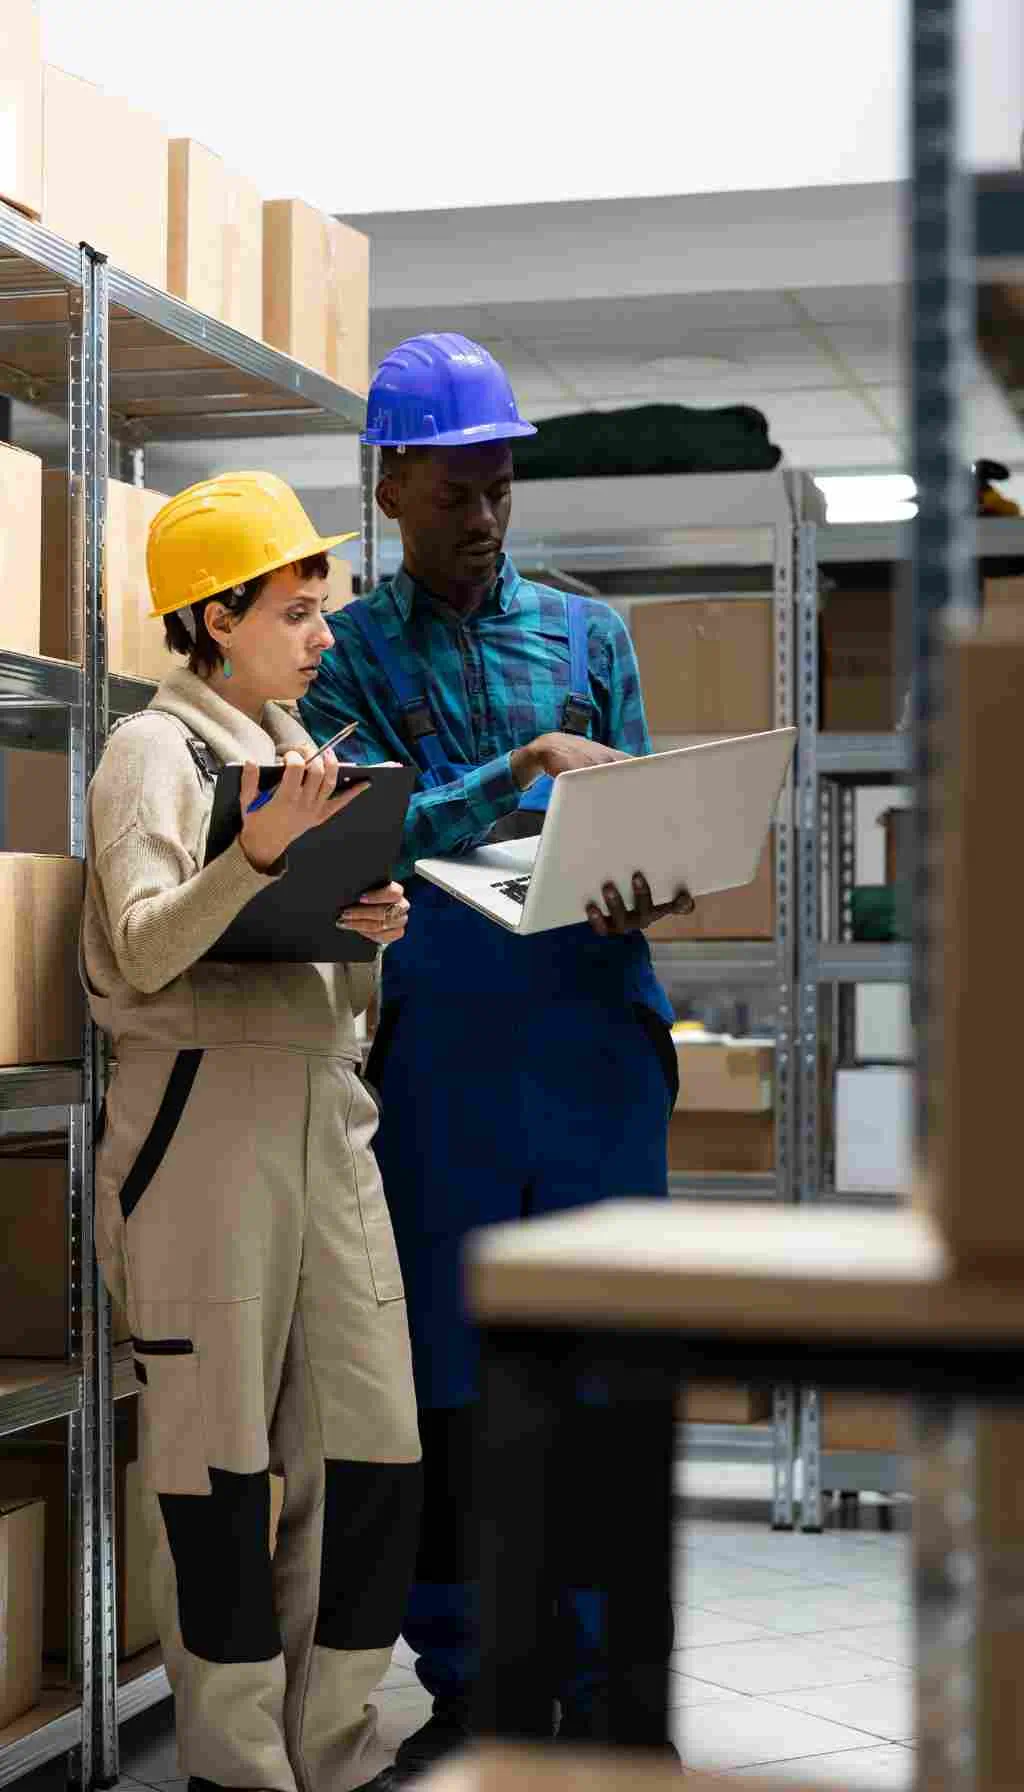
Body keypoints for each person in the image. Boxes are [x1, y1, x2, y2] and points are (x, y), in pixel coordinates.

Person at [300, 336, 692, 1785]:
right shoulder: (345, 654)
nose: (485, 515)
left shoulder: (593, 638)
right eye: (456, 490)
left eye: (501, 487)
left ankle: (600, 1669)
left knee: (603, 1356)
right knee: (448, 1368)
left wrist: (662, 861)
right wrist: (514, 771)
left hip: (593, 1027)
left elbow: (641, 803)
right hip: (444, 1044)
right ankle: (469, 1669)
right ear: (392, 484)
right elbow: (356, 837)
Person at [82, 471, 422, 1792]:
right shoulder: (149, 755)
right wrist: (262, 856)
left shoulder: (302, 751)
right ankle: (239, 1771)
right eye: (298, 608)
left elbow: (302, 969)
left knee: (373, 1451)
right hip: (201, 1140)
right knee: (215, 1479)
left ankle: (336, 1754)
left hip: (328, 1136)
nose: (325, 633)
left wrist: (366, 928)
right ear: (218, 616)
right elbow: (152, 947)